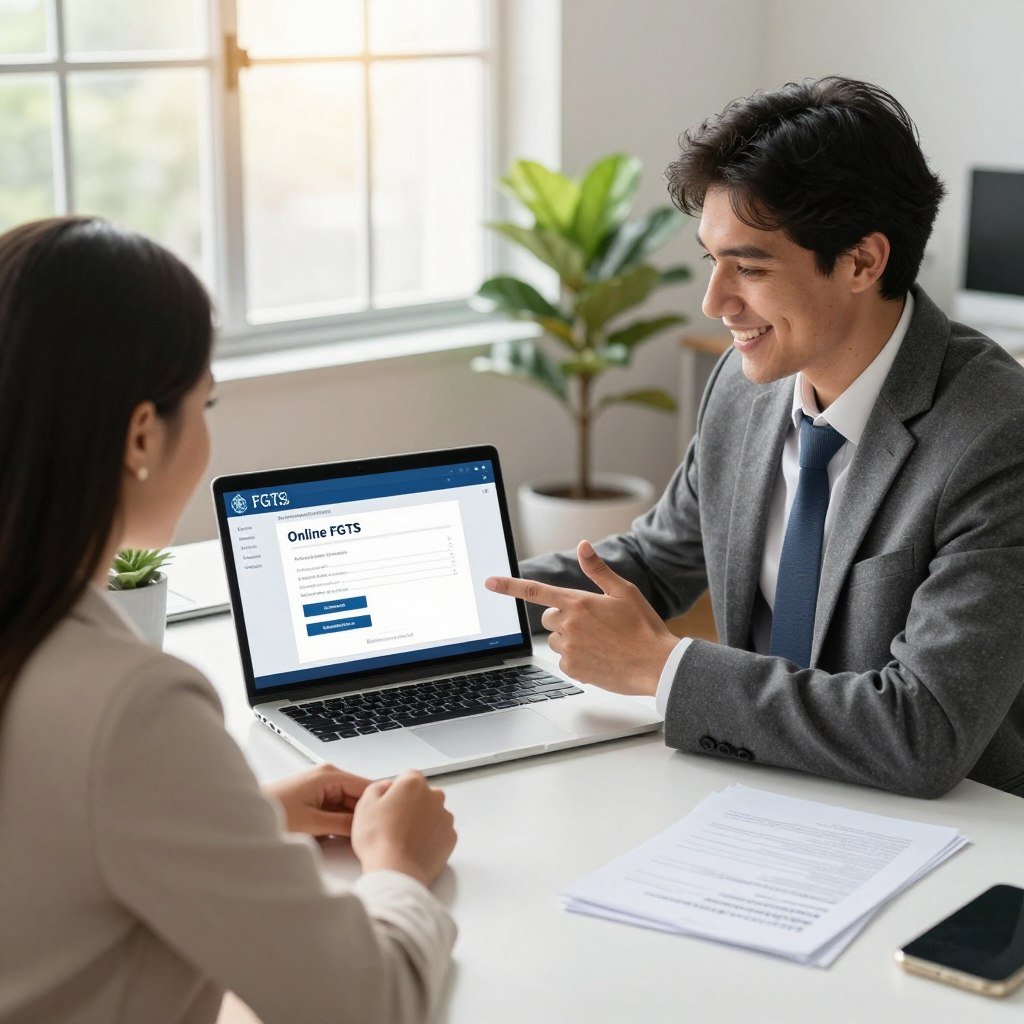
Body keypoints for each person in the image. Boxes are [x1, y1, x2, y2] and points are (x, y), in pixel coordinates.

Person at [486, 76, 1024, 800]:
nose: (715, 302)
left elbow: (924, 729)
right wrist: (452, 603)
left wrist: (664, 668)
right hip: (764, 789)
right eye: (714, 261)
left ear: (863, 261)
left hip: (951, 835)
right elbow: (656, 558)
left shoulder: (998, 436)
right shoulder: (747, 388)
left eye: (751, 267)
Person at [0, 217, 457, 1024]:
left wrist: (239, 814)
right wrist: (397, 866)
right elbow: (365, 1003)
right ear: (142, 434)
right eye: (203, 401)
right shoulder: (128, 704)